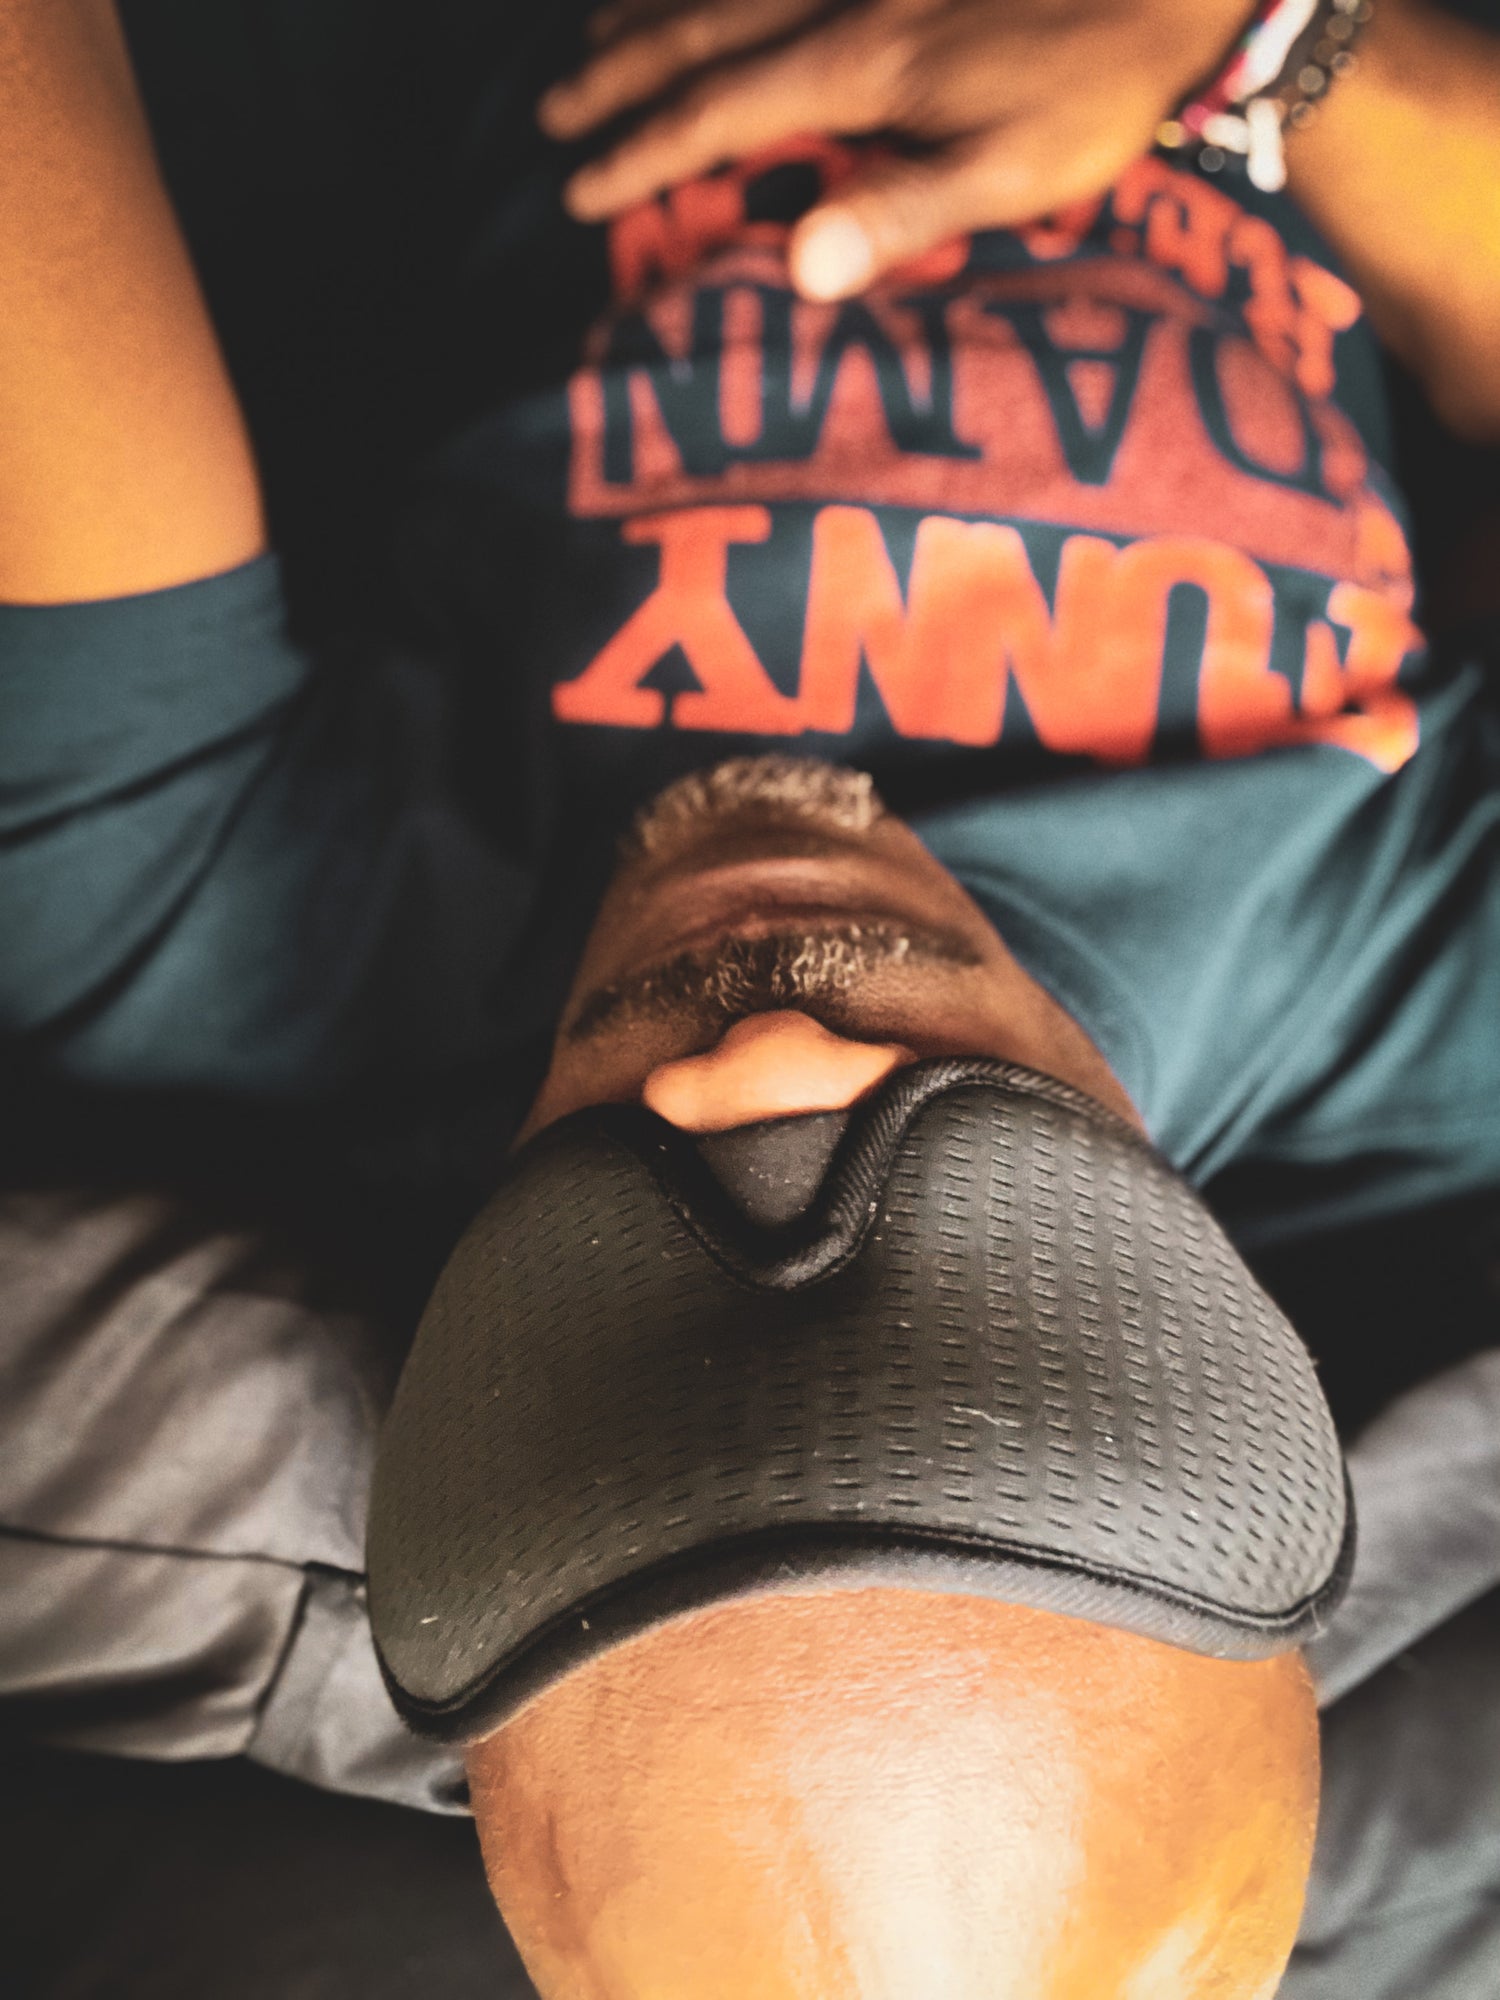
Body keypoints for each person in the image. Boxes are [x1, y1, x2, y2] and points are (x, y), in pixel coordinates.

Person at [2, 1, 1499, 1996]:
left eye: (639, 1346)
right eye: (992, 1313)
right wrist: (1268, 47)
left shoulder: (216, 934)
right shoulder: (1426, 1010)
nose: (758, 1065)